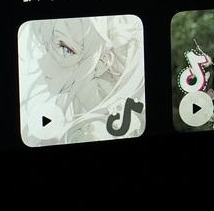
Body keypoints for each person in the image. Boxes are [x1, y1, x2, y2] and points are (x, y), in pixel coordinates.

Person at [18, 16, 146, 143]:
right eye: (49, 46)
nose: (43, 62)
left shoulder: (94, 132)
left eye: (66, 50)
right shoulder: (75, 112)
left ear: (102, 62)